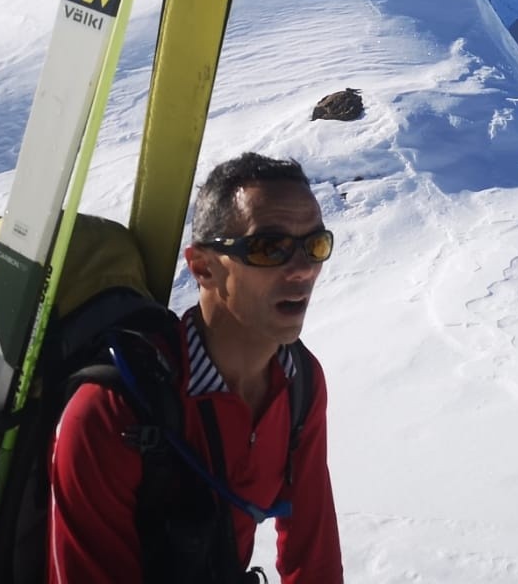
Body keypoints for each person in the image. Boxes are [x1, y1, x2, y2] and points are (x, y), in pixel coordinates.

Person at [47, 152, 343, 582]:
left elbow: (313, 551)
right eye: (270, 248)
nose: (302, 270)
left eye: (315, 245)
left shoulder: (300, 382)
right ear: (202, 267)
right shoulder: (112, 411)